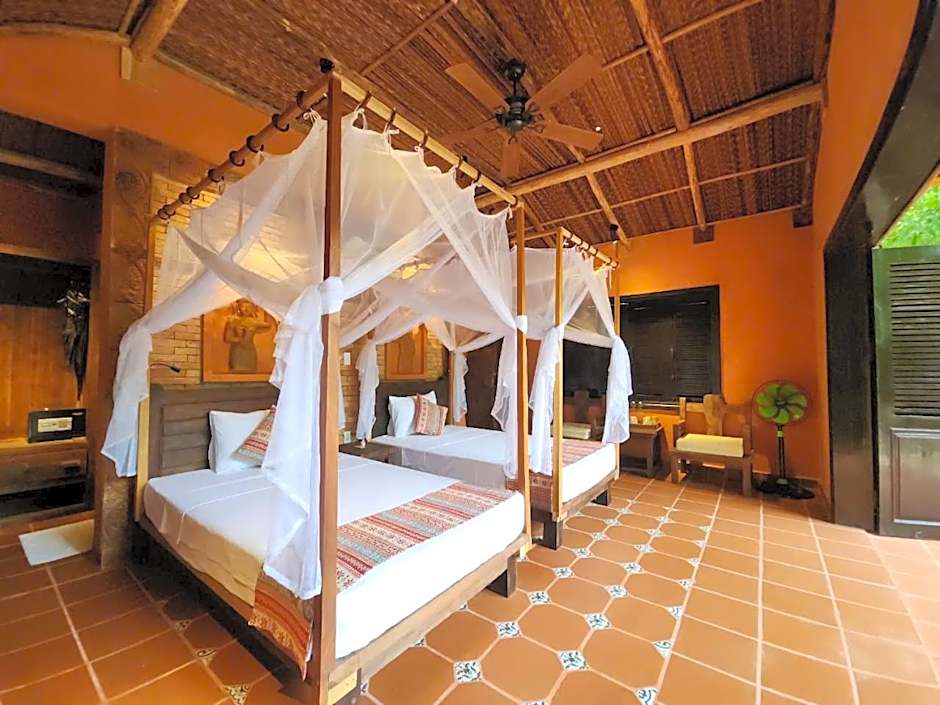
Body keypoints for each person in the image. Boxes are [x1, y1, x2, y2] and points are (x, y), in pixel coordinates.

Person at [222, 299, 273, 373]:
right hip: (238, 351)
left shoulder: (254, 321)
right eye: (243, 307)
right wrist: (240, 338)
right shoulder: (233, 321)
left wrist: (267, 308)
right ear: (238, 307)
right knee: (237, 372)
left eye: (249, 307)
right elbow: (227, 338)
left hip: (250, 351)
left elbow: (268, 325)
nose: (246, 309)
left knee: (251, 372)